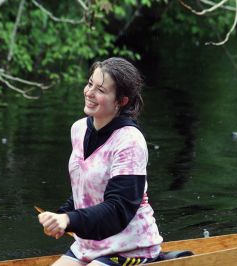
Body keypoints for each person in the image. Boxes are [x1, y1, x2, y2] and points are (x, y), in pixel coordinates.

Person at [38, 57, 163, 265]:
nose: (89, 92)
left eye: (101, 90)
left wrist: (70, 220)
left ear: (121, 101)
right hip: (87, 246)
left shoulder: (129, 140)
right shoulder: (78, 129)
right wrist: (60, 217)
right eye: (89, 84)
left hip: (130, 249)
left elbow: (118, 209)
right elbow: (87, 190)